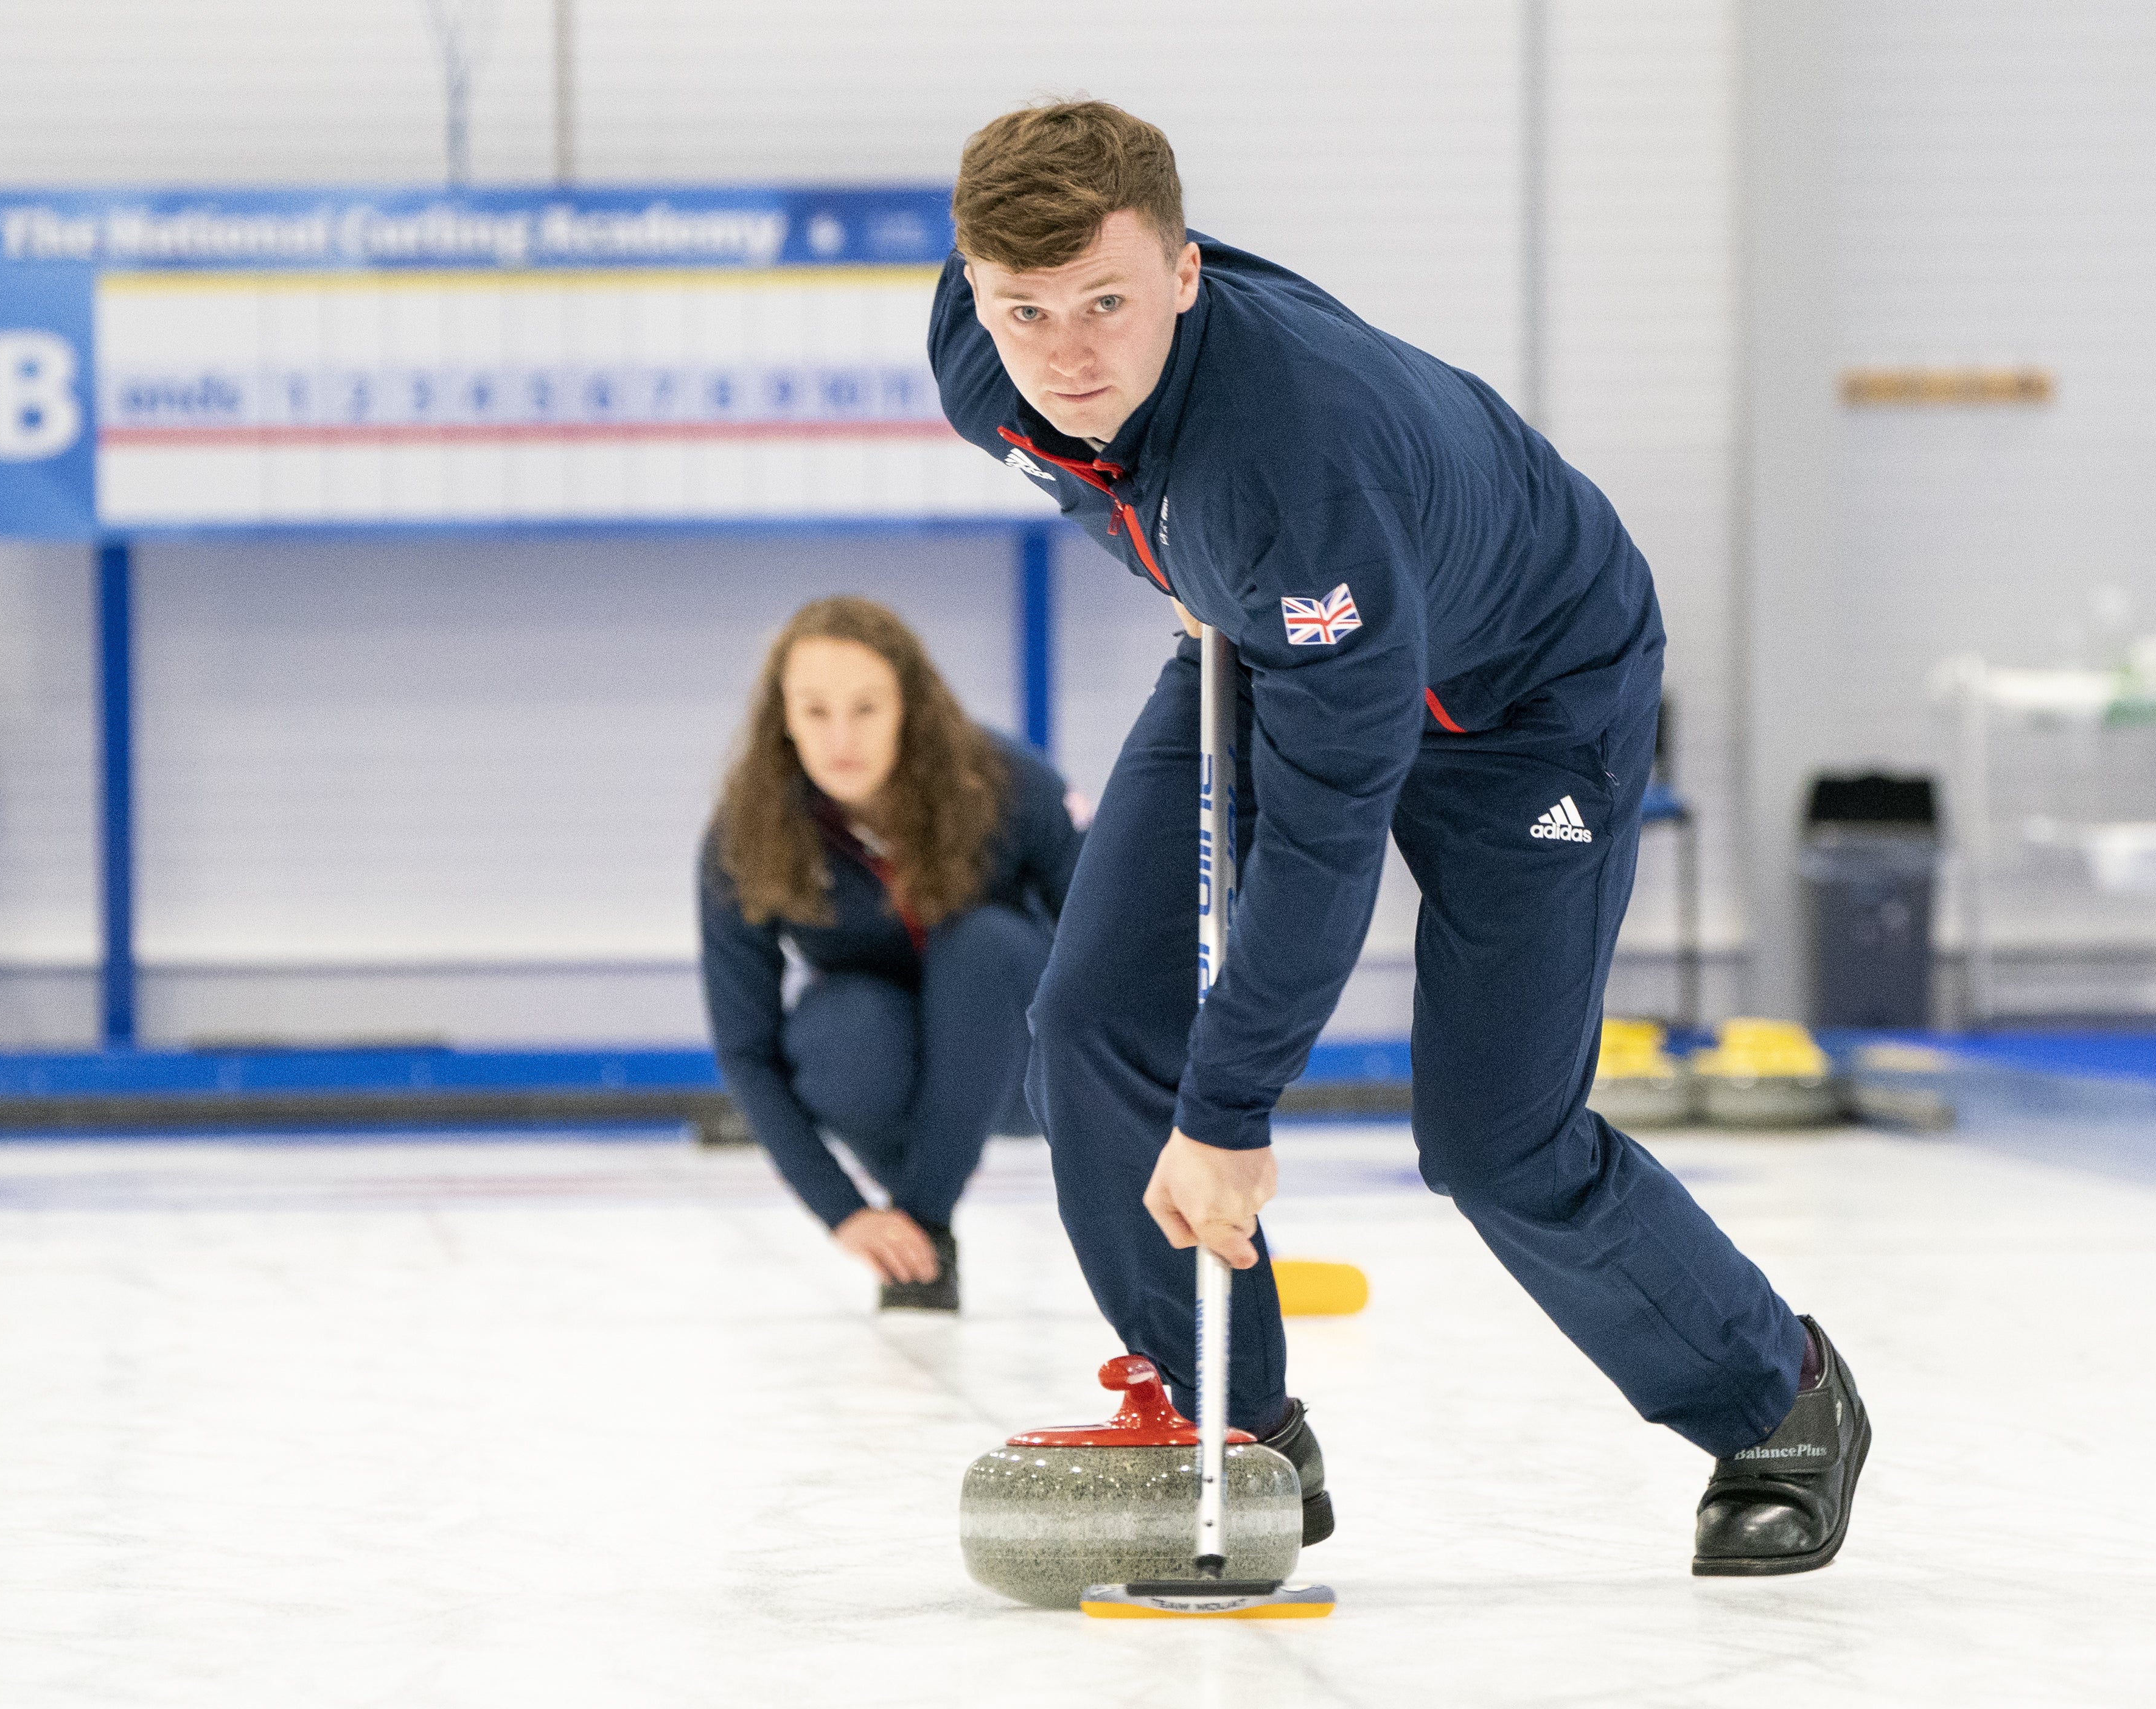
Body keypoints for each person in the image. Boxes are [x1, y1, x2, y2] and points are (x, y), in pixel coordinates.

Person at [928, 100, 1869, 1574]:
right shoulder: (977, 355)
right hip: (1271, 634)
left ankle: (1777, 1400)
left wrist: (1229, 1115)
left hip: (1525, 696)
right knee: (1088, 1021)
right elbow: (1110, 469)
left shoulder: (1297, 472)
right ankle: (1235, 1424)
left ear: (1186, 275)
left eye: (1107, 302)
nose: (1065, 357)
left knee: (1495, 1139)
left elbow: (1323, 837)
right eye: (1025, 309)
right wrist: (1167, 555)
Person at [699, 596, 1083, 1312]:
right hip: (892, 1069)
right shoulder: (744, 836)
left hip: (1031, 1068)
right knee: (839, 1028)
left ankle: (924, 1217)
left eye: (866, 708)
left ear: (909, 704)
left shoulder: (1010, 784)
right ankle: (914, 1249)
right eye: (815, 711)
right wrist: (841, 1210)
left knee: (985, 939)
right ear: (782, 717)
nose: (841, 737)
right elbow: (745, 1048)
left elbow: (1109, 962)